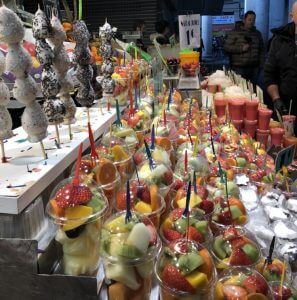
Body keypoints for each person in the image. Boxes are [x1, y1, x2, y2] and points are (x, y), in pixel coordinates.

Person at [264, 0, 297, 133]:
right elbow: (270, 74)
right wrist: (276, 99)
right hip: (287, 106)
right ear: (292, 16)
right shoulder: (279, 40)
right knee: (289, 140)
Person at [224, 11, 264, 85]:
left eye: (253, 20)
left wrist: (261, 65)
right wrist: (241, 48)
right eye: (249, 19)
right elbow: (227, 47)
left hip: (254, 68)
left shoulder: (257, 34)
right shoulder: (234, 32)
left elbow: (261, 50)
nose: (252, 22)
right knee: (240, 91)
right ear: (244, 20)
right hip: (239, 67)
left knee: (253, 90)